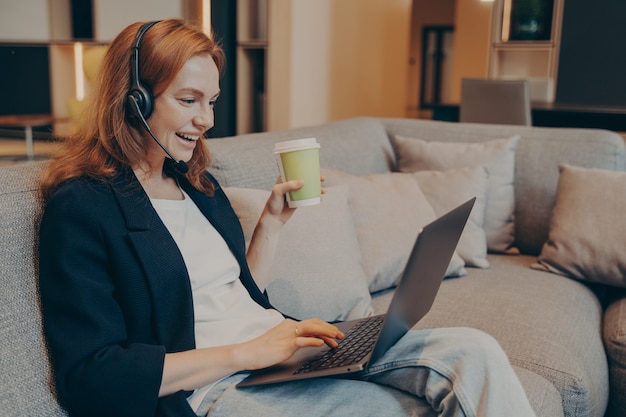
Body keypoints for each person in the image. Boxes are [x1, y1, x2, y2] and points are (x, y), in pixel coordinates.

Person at [38, 19, 537, 417]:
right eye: (187, 100)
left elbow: (239, 294)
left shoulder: (195, 184)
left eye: (210, 101)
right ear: (135, 100)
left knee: (475, 351)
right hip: (215, 386)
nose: (206, 120)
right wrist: (247, 353)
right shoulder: (84, 205)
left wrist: (272, 224)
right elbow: (90, 375)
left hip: (280, 354)